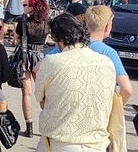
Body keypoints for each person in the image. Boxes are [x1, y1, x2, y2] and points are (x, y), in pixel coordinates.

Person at [35, 13, 115, 152]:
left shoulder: (52, 62)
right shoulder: (106, 62)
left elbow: (40, 99)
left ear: (57, 38)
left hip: (60, 142)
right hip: (97, 144)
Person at [14, 0, 50, 137]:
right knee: (42, 92)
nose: (23, 8)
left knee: (26, 93)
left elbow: (16, 39)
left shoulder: (23, 23)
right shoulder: (47, 22)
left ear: (32, 7)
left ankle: (29, 126)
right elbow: (47, 39)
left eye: (25, 5)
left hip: (24, 57)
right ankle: (47, 123)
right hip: (39, 56)